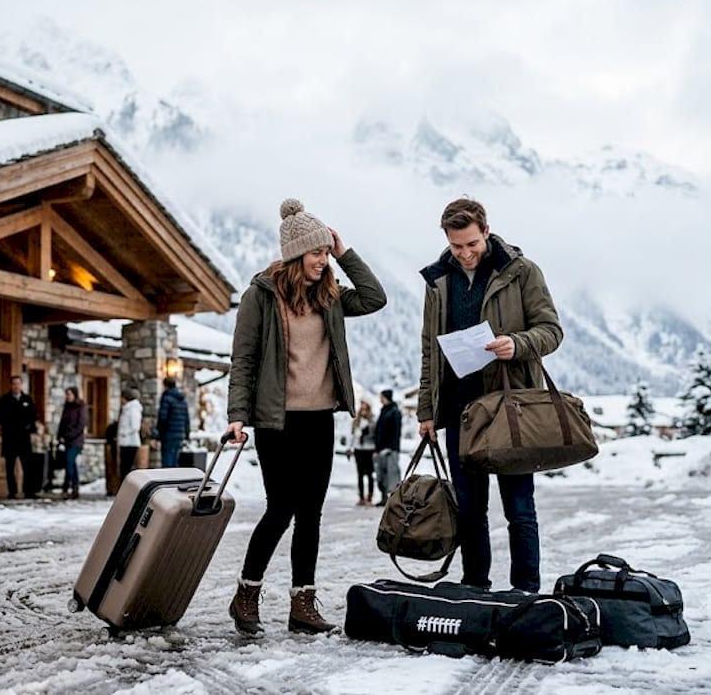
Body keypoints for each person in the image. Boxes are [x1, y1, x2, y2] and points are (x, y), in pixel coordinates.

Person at [225, 198, 387, 637]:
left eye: (325, 252)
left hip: (319, 420)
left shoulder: (330, 296)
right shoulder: (261, 295)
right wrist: (238, 415)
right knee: (281, 508)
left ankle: (303, 604)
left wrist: (344, 251)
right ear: (297, 255)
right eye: (316, 253)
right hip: (276, 421)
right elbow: (244, 358)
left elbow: (375, 298)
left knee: (311, 513)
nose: (322, 260)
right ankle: (246, 594)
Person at [416, 197, 562, 594]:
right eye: (456, 246)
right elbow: (430, 348)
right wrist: (426, 410)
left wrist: (517, 343)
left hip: (508, 409)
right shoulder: (438, 281)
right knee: (469, 510)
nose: (464, 254)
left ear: (486, 230)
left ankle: (525, 592)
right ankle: (475, 588)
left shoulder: (521, 271)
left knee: (519, 509)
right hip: (460, 410)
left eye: (471, 244)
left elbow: (551, 330)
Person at [0, 375, 38, 499]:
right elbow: (0, 419)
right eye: (14, 384)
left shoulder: (27, 399)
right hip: (10, 438)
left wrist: (30, 428)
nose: (16, 386)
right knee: (10, 467)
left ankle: (29, 490)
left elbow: (33, 417)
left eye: (18, 384)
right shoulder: (4, 400)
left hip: (24, 439)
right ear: (11, 385)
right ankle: (12, 491)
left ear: (21, 385)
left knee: (28, 466)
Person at [56, 386, 89, 500]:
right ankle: (75, 487)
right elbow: (62, 423)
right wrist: (59, 436)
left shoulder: (80, 407)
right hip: (65, 440)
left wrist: (68, 436)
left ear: (75, 395)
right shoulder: (67, 407)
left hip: (75, 441)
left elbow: (80, 425)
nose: (68, 397)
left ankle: (67, 487)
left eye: (69, 394)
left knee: (69, 462)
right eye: (67, 394)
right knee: (71, 464)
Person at [373, 389, 402, 506]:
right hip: (381, 449)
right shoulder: (383, 411)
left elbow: (396, 432)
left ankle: (396, 500)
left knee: (392, 474)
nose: (380, 399)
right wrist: (377, 448)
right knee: (382, 475)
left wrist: (391, 447)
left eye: (381, 397)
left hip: (391, 450)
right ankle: (383, 498)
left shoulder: (395, 412)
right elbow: (378, 431)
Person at [153, 377, 190, 468]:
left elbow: (163, 418)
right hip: (180, 435)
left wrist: (157, 434)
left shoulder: (166, 398)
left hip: (168, 434)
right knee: (175, 461)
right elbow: (187, 419)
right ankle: (174, 481)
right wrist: (187, 434)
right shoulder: (182, 399)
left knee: (167, 461)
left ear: (165, 386)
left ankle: (167, 481)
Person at [348, 400, 378, 506]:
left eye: (365, 409)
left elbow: (376, 436)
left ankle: (369, 496)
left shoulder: (373, 421)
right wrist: (349, 448)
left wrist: (376, 449)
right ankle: (361, 497)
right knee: (360, 474)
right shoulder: (357, 421)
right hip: (359, 449)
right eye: (362, 409)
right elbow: (352, 435)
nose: (363, 411)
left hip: (369, 450)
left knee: (370, 474)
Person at [116, 387, 143, 483]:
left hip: (130, 442)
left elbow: (135, 426)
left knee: (127, 467)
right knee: (123, 467)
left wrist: (124, 433)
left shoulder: (133, 409)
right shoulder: (126, 409)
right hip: (125, 442)